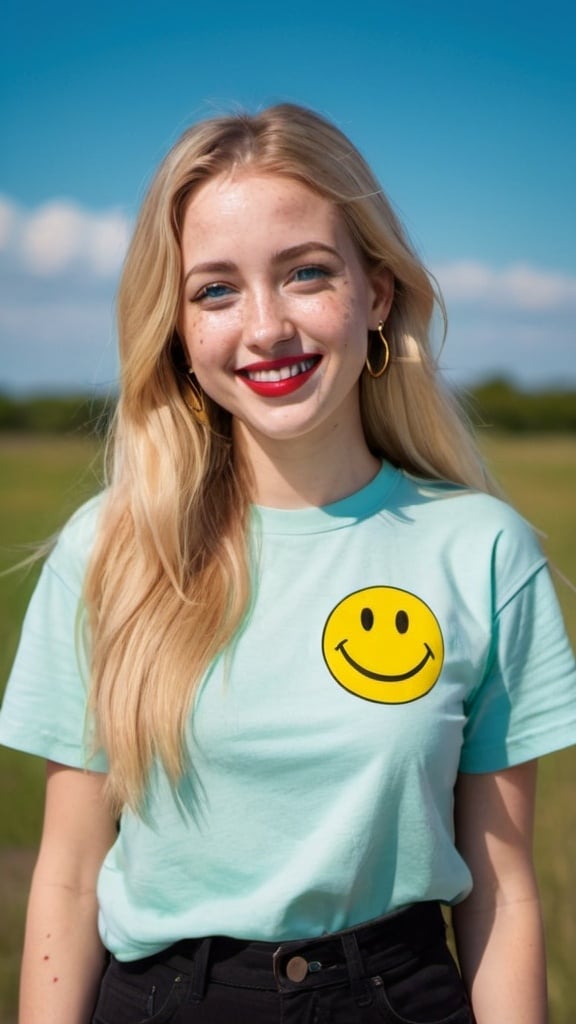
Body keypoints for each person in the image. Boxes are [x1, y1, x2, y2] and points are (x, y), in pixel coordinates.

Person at [1, 103, 575, 1024]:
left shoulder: (483, 550)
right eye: (216, 290)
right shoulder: (110, 549)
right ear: (180, 331)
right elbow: (67, 881)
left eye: (306, 273)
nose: (267, 326)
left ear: (377, 292)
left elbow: (502, 893)